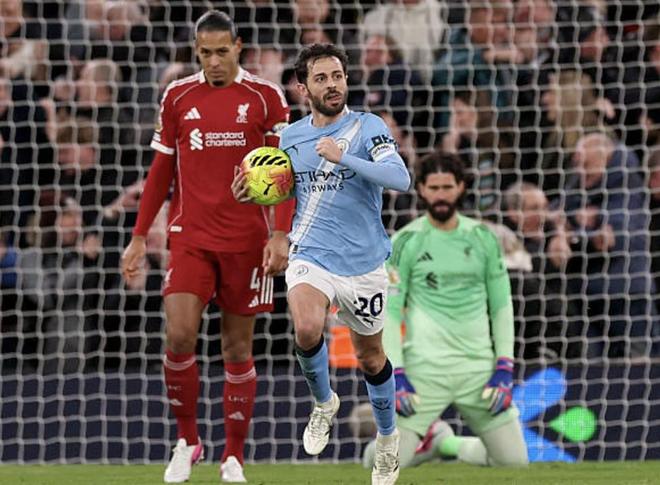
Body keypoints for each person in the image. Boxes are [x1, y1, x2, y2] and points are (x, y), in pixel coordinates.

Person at [120, 10, 294, 484]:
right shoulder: (178, 96)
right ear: (196, 51)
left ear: (238, 47)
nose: (213, 61)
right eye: (204, 53)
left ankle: (232, 456)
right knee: (178, 336)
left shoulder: (266, 97)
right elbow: (160, 172)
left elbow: (284, 172)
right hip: (190, 238)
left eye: (221, 51)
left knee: (236, 348)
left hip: (247, 242)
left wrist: (280, 233)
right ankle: (187, 441)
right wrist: (139, 236)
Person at [232, 43, 411, 485]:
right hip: (311, 253)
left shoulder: (369, 127)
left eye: (337, 76)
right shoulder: (291, 138)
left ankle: (388, 441)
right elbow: (289, 192)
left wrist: (344, 156)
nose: (332, 85)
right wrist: (253, 194)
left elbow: (401, 179)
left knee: (371, 358)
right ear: (303, 88)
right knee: (307, 328)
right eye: (321, 78)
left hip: (364, 263)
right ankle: (324, 403)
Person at [363, 151, 528, 470]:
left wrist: (504, 366)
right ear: (422, 190)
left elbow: (501, 307)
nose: (441, 195)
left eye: (447, 187)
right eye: (434, 188)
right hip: (423, 372)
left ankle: (443, 442)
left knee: (514, 463)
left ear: (461, 187)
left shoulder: (483, 238)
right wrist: (396, 373)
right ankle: (397, 445)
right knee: (383, 465)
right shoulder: (405, 241)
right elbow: (391, 314)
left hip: (478, 371)